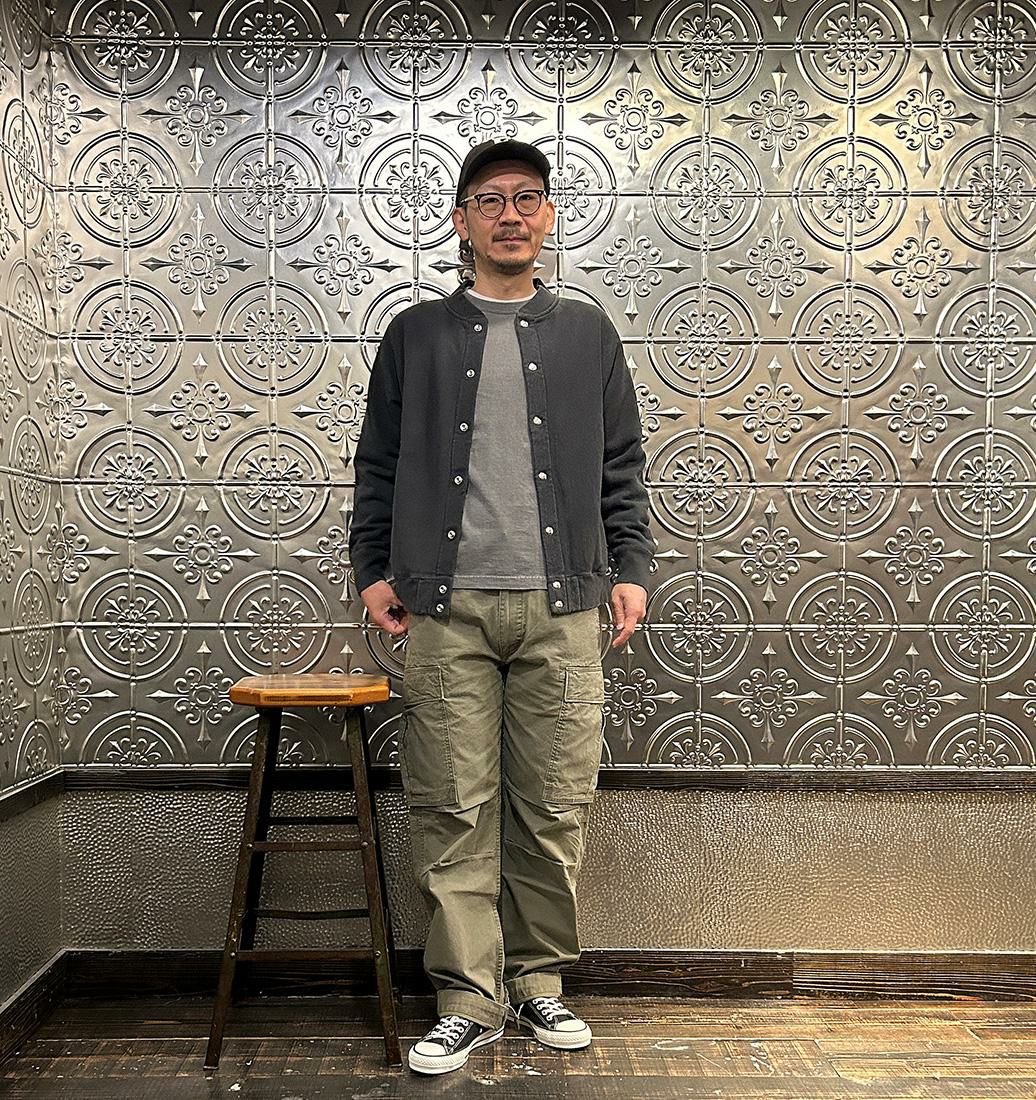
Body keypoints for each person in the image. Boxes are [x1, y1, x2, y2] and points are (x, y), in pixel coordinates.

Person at [349, 139, 654, 1076]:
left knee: (553, 804)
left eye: (527, 198)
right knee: (451, 804)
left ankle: (538, 983)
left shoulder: (588, 335)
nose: (510, 215)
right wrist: (372, 568)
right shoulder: (415, 335)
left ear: (549, 216)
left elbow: (622, 466)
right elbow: (378, 463)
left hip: (565, 608)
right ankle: (465, 1000)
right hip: (447, 611)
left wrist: (632, 568)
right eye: (490, 200)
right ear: (461, 220)